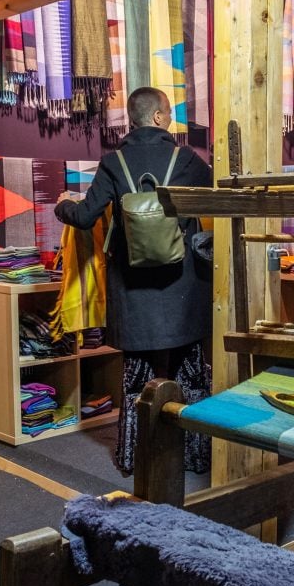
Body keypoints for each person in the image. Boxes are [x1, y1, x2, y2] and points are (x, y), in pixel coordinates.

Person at [55, 87, 212, 475]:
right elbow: (216, 204)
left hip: (132, 291)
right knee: (188, 368)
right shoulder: (187, 159)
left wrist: (62, 205)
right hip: (182, 288)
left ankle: (132, 457)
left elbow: (84, 217)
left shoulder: (113, 163)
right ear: (158, 117)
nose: (171, 118)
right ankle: (195, 455)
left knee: (136, 375)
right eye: (169, 112)